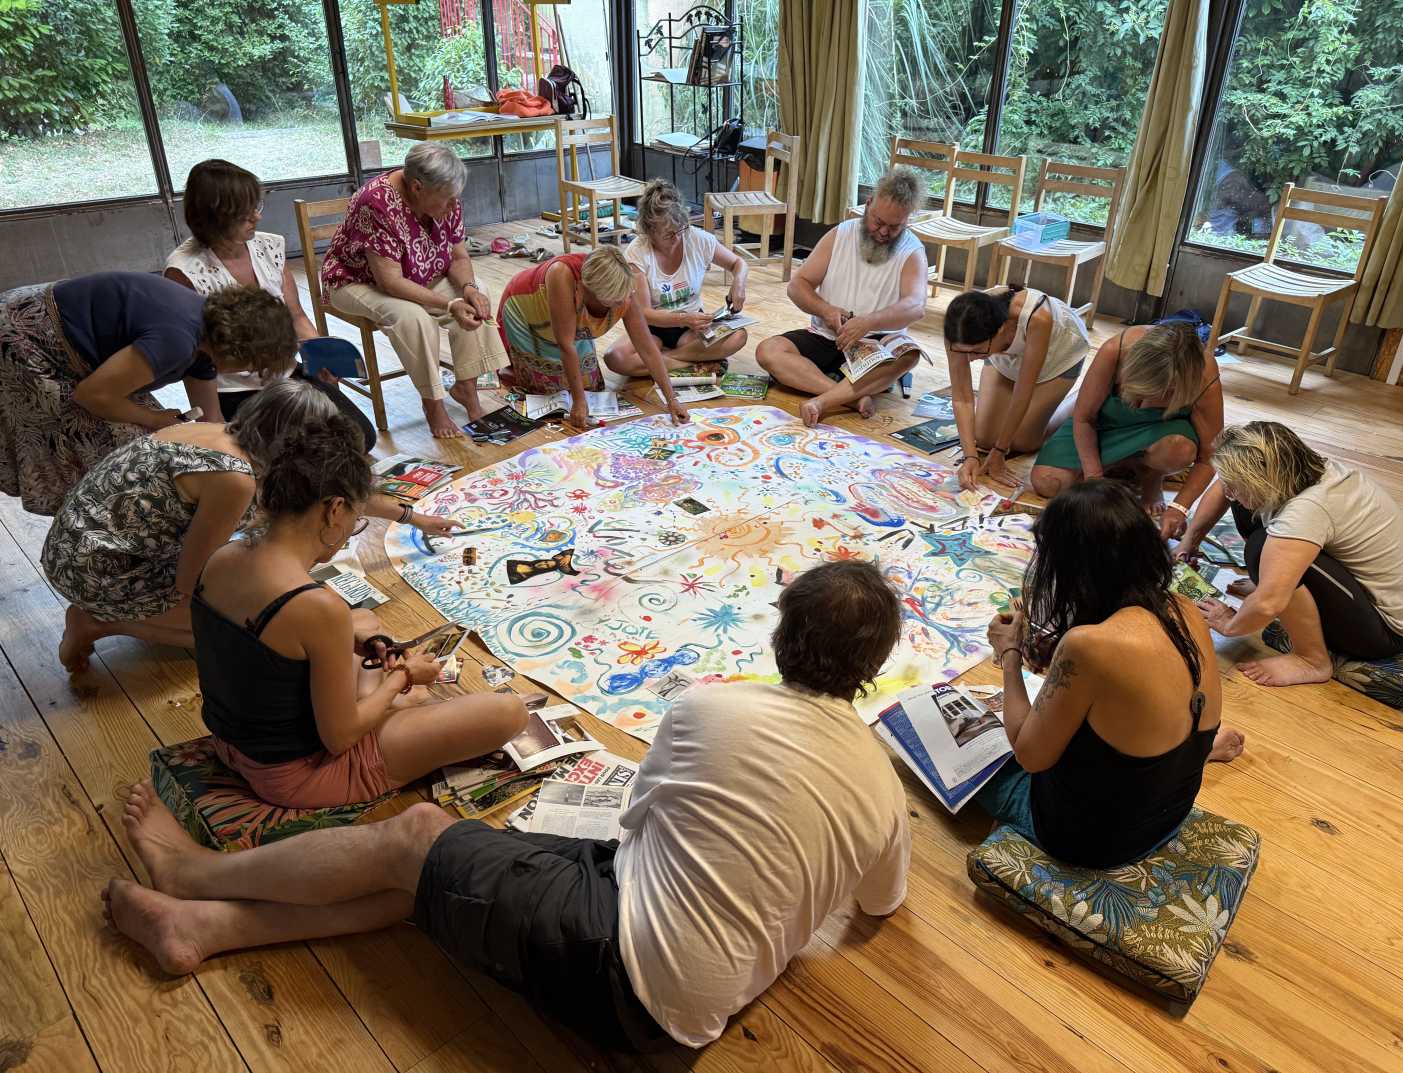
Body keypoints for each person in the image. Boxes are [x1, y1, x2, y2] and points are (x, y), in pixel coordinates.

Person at [104, 560, 911, 1049]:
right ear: (872, 668)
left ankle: (195, 872)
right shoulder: (883, 781)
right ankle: (207, 926)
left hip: (618, 961)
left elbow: (637, 819)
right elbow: (881, 903)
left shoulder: (711, 707)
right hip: (697, 994)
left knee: (416, 832)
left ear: (779, 637)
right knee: (431, 875)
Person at [185, 413, 526, 808]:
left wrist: (360, 646)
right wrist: (402, 678)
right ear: (334, 510)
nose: (350, 529)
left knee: (361, 622)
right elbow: (340, 738)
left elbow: (262, 649)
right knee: (507, 712)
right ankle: (396, 706)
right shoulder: (313, 605)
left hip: (234, 743)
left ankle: (393, 706)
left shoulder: (225, 555)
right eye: (355, 519)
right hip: (296, 775)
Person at [44, 380, 454, 674]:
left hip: (79, 542)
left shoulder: (220, 432)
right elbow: (193, 582)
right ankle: (96, 623)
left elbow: (339, 487)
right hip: (94, 569)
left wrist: (412, 517)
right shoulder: (235, 478)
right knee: (240, 630)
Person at [974, 480, 1244, 870]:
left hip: (1096, 842)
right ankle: (1194, 753)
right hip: (1170, 811)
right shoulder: (1182, 607)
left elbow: (1030, 756)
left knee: (949, 737)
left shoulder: (1088, 645)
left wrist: (1010, 652)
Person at [0, 271, 295, 517]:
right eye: (252, 365)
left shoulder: (207, 338)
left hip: (51, 326)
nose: (249, 373)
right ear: (237, 348)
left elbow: (212, 420)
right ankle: (90, 528)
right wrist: (153, 418)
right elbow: (93, 395)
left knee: (135, 441)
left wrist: (244, 461)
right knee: (107, 449)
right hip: (24, 337)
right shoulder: (177, 341)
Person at [1177, 422, 1403, 687]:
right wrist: (1189, 541)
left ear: (1260, 478)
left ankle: (1312, 660)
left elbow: (1267, 604)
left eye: (1234, 484)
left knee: (1261, 547)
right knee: (1245, 506)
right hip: (1385, 598)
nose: (1227, 491)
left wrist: (1228, 623)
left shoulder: (1308, 510)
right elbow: (1224, 487)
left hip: (1384, 631)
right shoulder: (1302, 468)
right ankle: (1274, 579)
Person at [164, 158, 377, 451]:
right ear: (215, 218)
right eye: (245, 214)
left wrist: (321, 356)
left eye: (257, 207)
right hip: (235, 389)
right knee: (293, 454)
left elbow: (296, 316)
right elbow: (194, 357)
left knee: (358, 438)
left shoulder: (267, 246)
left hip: (286, 373)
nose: (257, 218)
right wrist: (211, 423)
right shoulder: (184, 270)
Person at [321, 143, 506, 439]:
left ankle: (467, 391)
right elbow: (390, 282)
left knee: (478, 292)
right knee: (412, 316)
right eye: (446, 200)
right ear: (417, 187)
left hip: (421, 273)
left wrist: (468, 290)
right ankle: (433, 404)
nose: (451, 206)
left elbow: (459, 256)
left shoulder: (446, 195)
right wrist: (449, 305)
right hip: (356, 280)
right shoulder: (377, 202)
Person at [755, 167, 930, 427]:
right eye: (878, 222)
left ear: (908, 220)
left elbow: (915, 306)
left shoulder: (912, 250)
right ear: (868, 204)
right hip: (827, 335)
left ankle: (824, 401)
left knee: (909, 355)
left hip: (876, 343)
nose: (883, 232)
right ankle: (850, 397)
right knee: (768, 350)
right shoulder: (841, 234)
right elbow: (797, 286)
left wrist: (868, 323)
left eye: (894, 227)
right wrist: (826, 311)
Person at [1031, 322, 1224, 539]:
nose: (1149, 401)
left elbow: (1210, 454)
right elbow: (1084, 419)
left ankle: (1151, 475)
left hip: (1163, 430)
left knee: (1179, 449)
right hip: (1106, 422)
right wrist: (1094, 478)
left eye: (1167, 393)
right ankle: (1122, 468)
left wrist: (1179, 507)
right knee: (1048, 482)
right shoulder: (1115, 350)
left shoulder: (1204, 371)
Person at [497, 246, 690, 431]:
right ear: (588, 291)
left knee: (593, 389)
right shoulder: (562, 275)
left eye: (622, 299)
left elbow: (646, 346)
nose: (621, 304)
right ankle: (513, 373)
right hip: (527, 313)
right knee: (552, 395)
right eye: (614, 301)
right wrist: (579, 402)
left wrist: (671, 399)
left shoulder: (623, 290)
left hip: (571, 321)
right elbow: (566, 345)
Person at [943, 284, 1089, 491]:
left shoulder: (1038, 318)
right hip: (1002, 354)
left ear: (1002, 330)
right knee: (983, 437)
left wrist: (999, 452)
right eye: (963, 352)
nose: (969, 359)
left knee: (1024, 442)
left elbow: (1023, 392)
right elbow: (962, 398)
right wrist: (970, 456)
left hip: (1058, 354)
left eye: (976, 352)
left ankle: (1078, 399)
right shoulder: (958, 326)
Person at [604, 178, 749, 377]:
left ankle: (665, 360)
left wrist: (739, 284)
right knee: (615, 357)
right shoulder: (637, 252)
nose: (677, 237)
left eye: (681, 229)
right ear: (650, 231)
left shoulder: (697, 238)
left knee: (738, 336)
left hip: (692, 327)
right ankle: (690, 360)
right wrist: (683, 318)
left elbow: (738, 264)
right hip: (654, 328)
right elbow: (644, 313)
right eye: (668, 234)